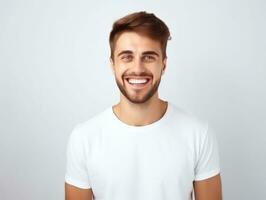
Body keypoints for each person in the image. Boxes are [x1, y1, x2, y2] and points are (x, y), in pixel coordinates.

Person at [65, 11, 222, 200]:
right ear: (112, 64)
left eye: (148, 57)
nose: (138, 68)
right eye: (126, 57)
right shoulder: (84, 138)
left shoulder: (198, 134)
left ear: (163, 65)